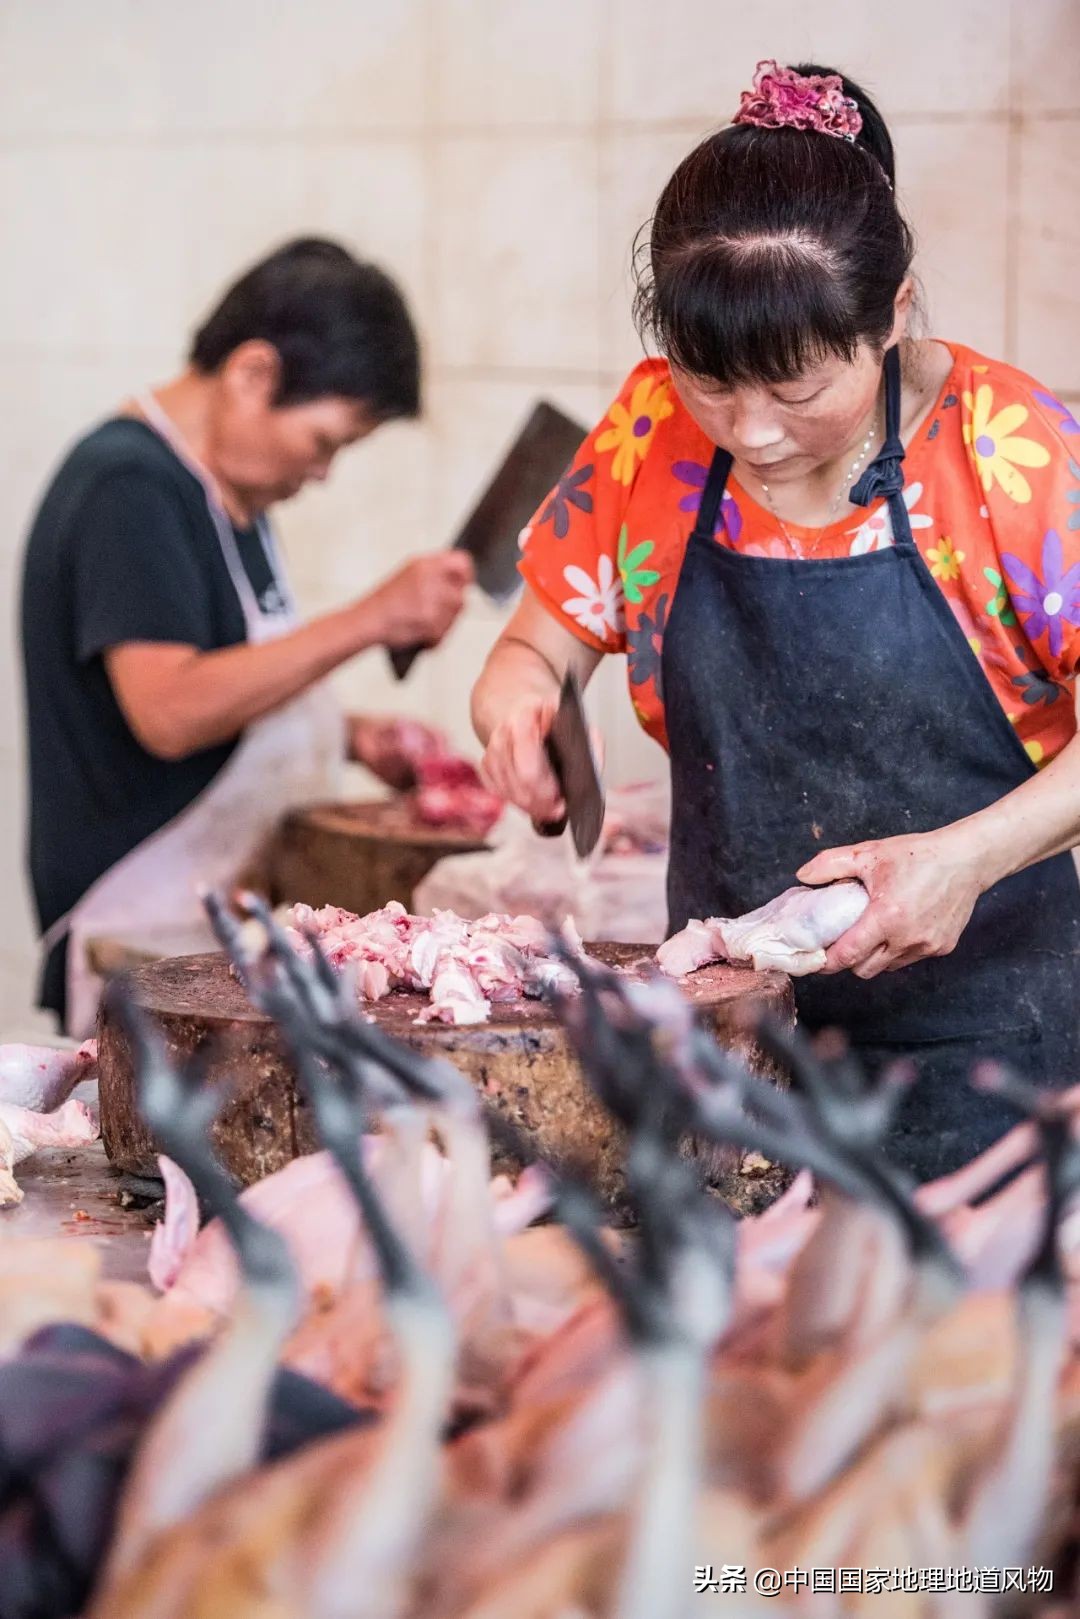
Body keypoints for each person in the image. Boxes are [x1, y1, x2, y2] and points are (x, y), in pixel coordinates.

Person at [471, 61, 1080, 1181]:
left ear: (890, 312)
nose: (749, 430)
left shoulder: (1012, 449)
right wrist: (517, 697)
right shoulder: (651, 429)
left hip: (983, 1052)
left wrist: (962, 859)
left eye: (796, 388)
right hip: (726, 1045)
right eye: (713, 380)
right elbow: (538, 639)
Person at [22, 236, 472, 1036]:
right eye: (325, 441)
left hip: (215, 926)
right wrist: (371, 618)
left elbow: (236, 682)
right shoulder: (128, 486)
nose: (323, 472)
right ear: (253, 373)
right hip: (139, 936)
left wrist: (351, 734)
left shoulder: (235, 500)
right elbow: (169, 711)